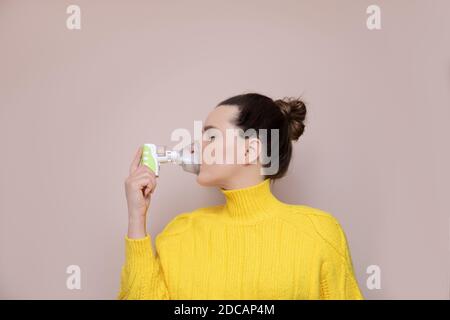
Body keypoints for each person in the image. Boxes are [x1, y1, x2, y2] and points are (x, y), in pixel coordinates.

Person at [118, 92, 364, 299]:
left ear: (250, 149)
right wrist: (136, 219)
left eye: (211, 136)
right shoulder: (179, 233)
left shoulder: (319, 233)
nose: (195, 146)